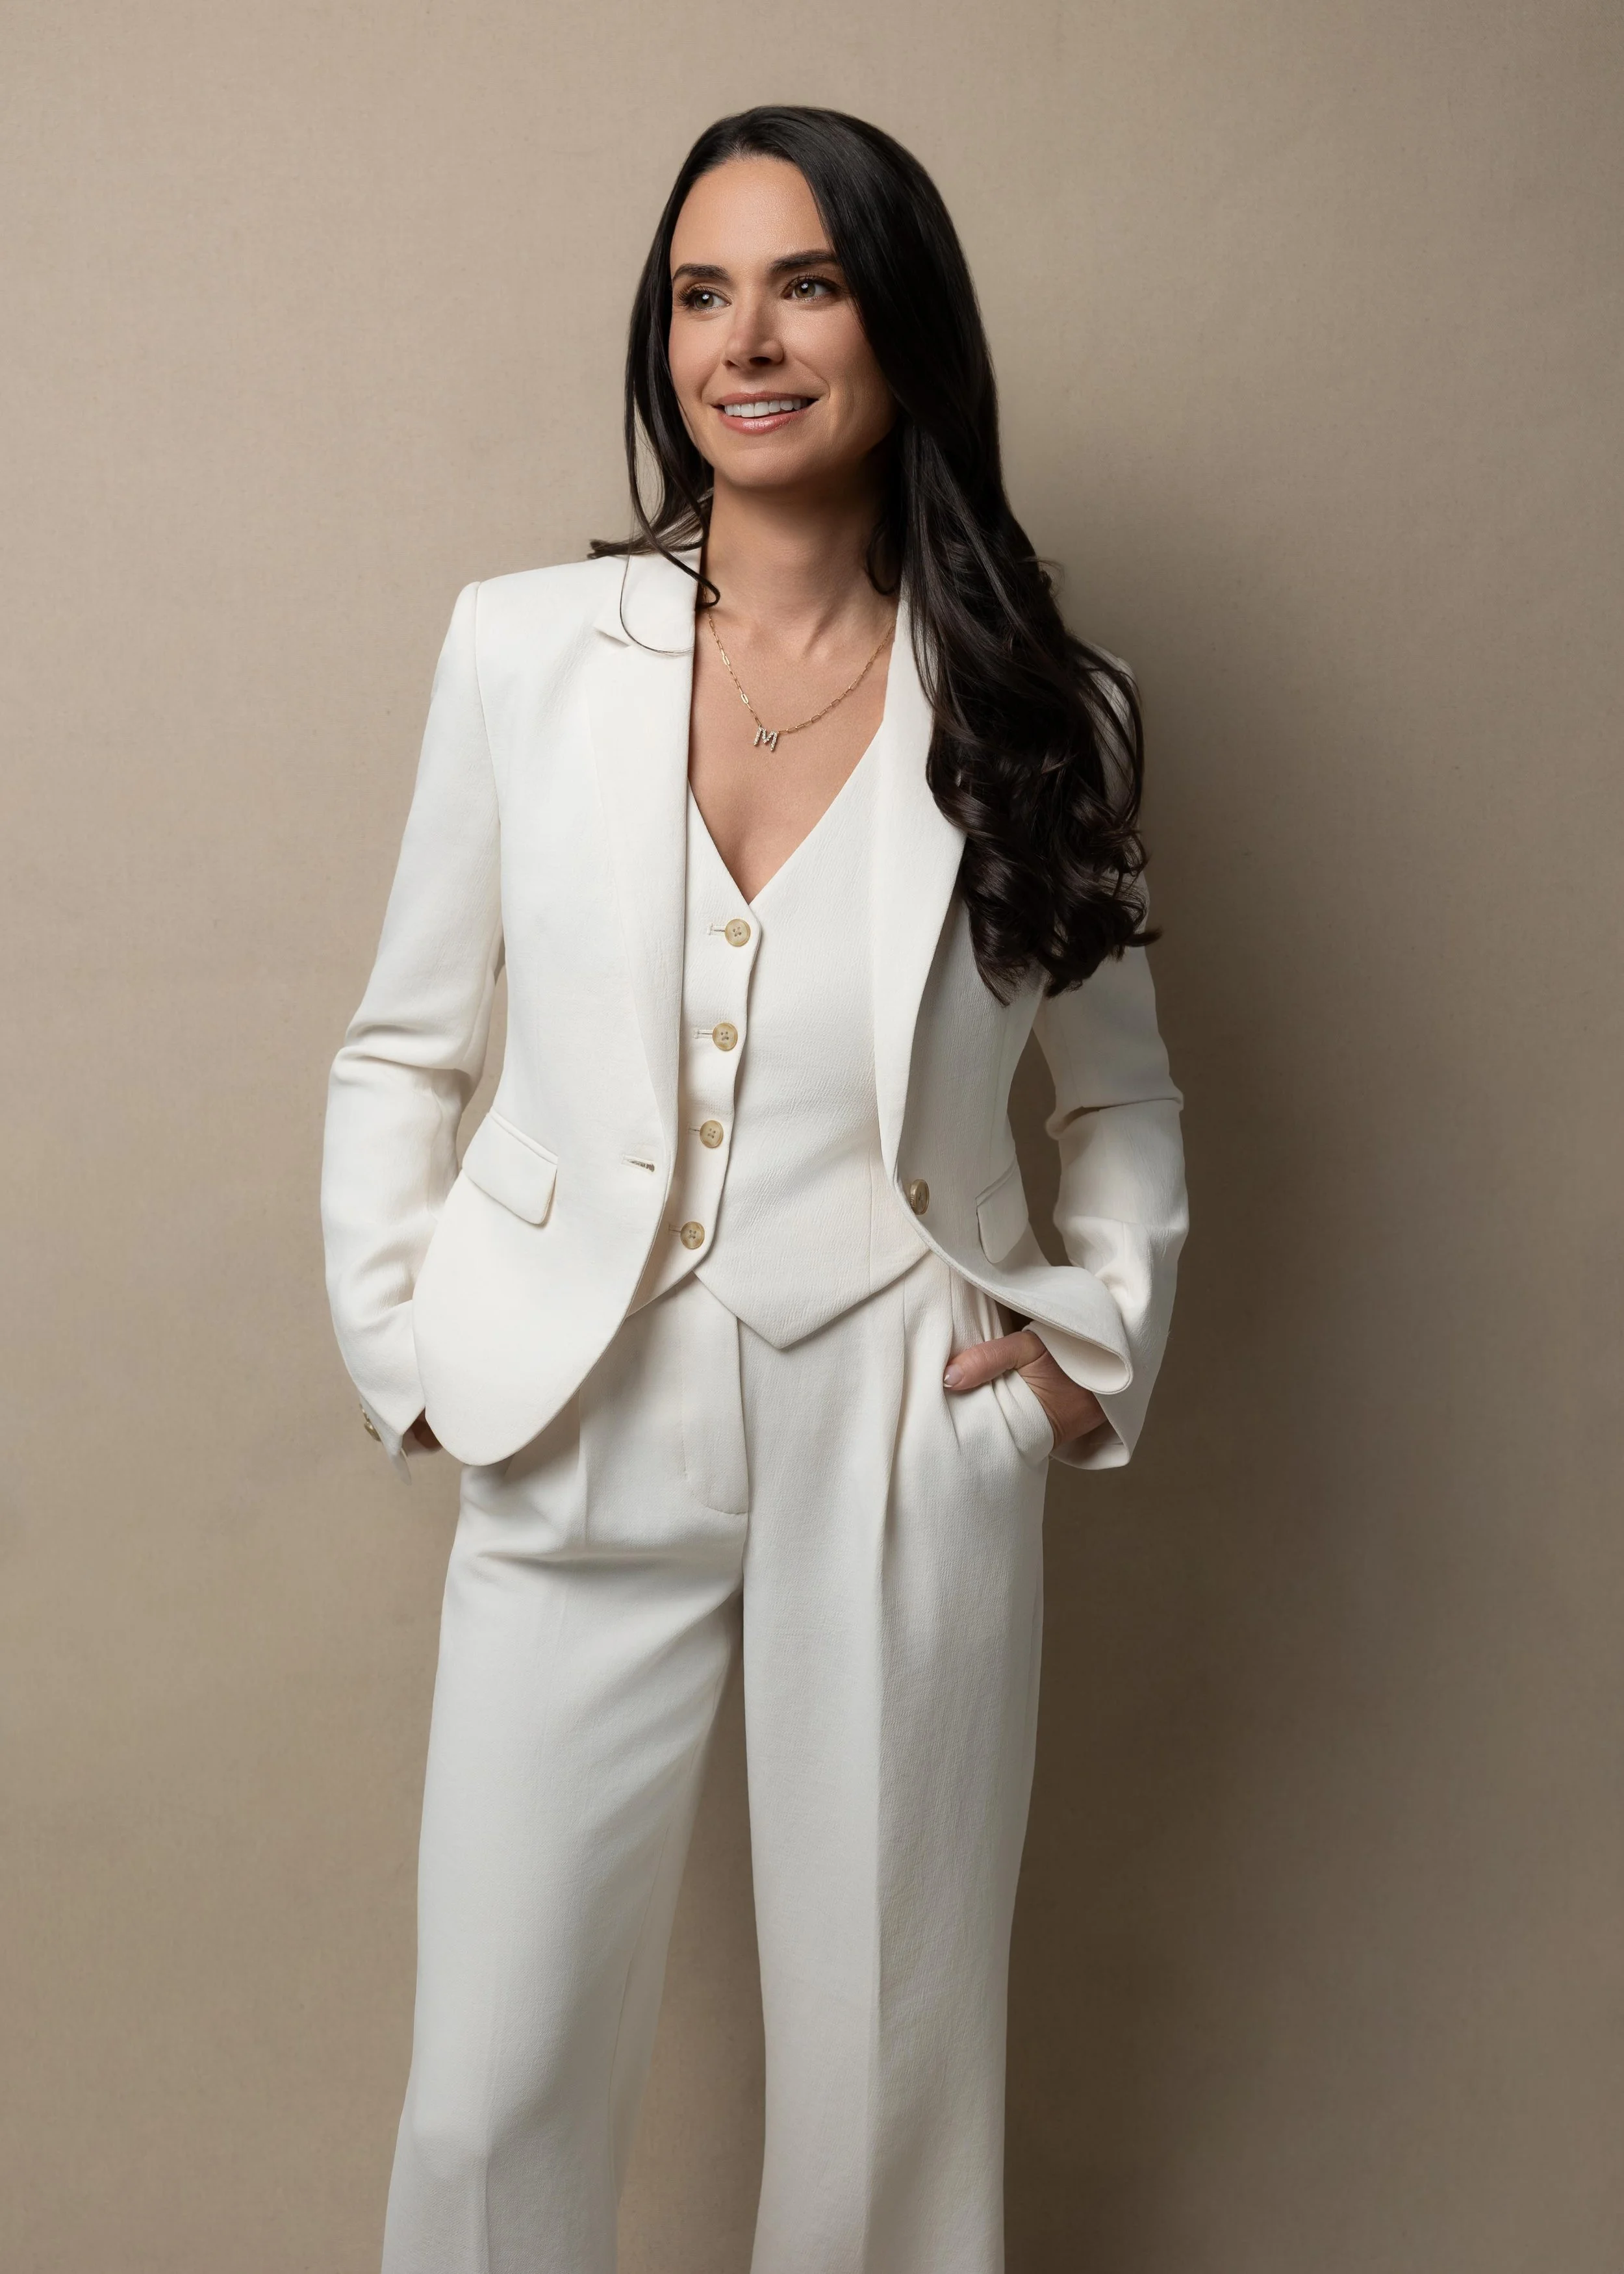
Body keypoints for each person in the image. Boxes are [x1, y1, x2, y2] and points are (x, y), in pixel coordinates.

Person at [322, 102, 1187, 2274]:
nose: (749, 338)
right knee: (494, 2077)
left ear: (897, 324)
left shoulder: (1019, 701)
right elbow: (405, 1042)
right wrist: (408, 1346)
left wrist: (1082, 1358)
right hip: (572, 1403)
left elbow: (1120, 1102)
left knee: (887, 2084)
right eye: (702, 291)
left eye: (804, 282)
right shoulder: (526, 650)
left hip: (899, 1422)